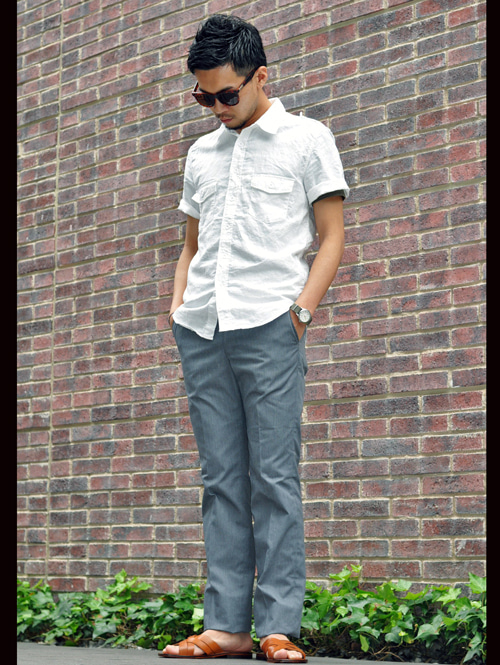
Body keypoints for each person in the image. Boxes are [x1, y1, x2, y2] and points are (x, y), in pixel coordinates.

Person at [159, 14, 349, 662]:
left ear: (261, 76)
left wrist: (301, 314)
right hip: (203, 330)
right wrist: (178, 306)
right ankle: (226, 626)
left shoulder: (307, 139)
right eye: (202, 96)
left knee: (273, 477)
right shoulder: (201, 155)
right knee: (220, 481)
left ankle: (277, 626)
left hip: (271, 326)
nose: (215, 108)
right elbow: (191, 246)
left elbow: (332, 237)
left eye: (226, 94)